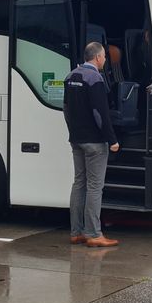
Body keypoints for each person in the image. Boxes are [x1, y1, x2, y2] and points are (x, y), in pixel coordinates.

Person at [63, 41, 120, 247]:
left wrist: (73, 132)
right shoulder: (95, 78)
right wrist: (112, 140)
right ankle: (94, 234)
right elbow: (100, 113)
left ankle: (75, 232)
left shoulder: (70, 77)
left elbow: (66, 109)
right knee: (95, 187)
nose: (105, 59)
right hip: (95, 142)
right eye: (104, 56)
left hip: (76, 139)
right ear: (97, 57)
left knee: (79, 183)